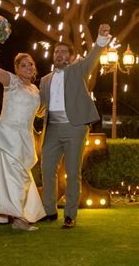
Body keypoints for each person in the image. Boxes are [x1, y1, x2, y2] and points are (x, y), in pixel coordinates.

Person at [38, 24, 111, 229]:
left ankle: (70, 215)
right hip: (51, 129)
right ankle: (49, 211)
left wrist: (101, 38)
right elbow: (40, 106)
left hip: (75, 127)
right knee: (47, 170)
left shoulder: (79, 69)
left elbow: (93, 56)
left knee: (72, 172)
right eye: (56, 51)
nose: (59, 54)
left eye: (63, 52)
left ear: (70, 56)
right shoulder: (44, 80)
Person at [0, 34, 46, 231]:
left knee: (22, 178)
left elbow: (38, 113)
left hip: (25, 139)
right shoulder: (11, 81)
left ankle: (15, 216)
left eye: (30, 65)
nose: (28, 68)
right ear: (17, 69)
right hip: (7, 137)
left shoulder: (36, 90)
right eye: (24, 65)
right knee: (14, 178)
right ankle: (18, 219)